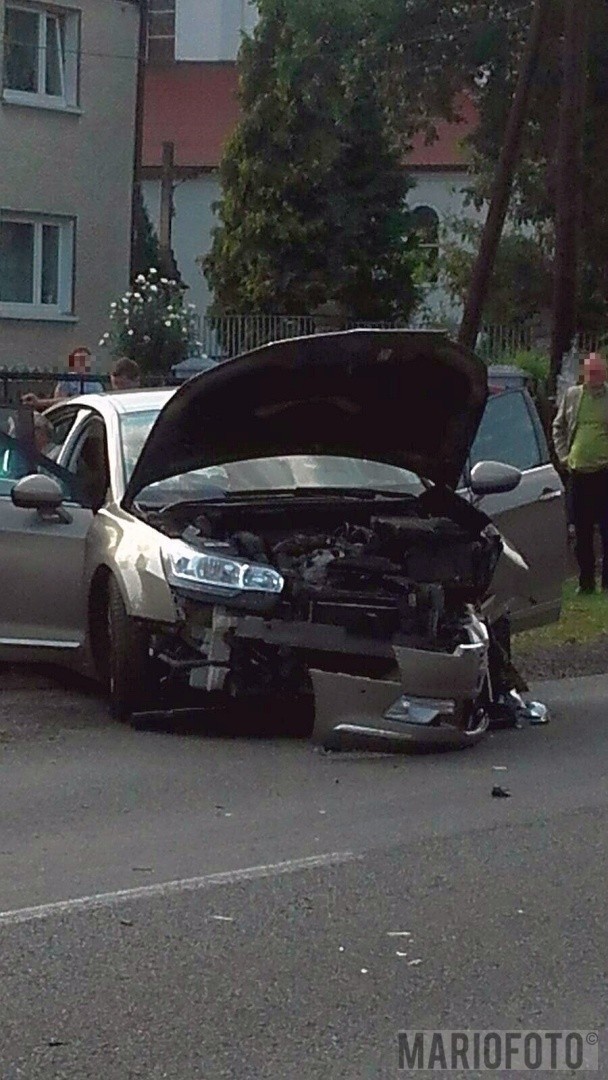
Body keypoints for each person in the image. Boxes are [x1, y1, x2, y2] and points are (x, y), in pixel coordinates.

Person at [553, 352, 608, 593]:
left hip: (604, 472)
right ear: (584, 374)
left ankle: (607, 582)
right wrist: (563, 456)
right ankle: (586, 582)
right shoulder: (573, 396)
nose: (594, 377)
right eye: (591, 373)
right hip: (578, 473)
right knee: (581, 532)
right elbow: (559, 427)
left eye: (599, 372)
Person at [22, 346, 104, 411]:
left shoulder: (95, 383)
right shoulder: (67, 380)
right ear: (73, 362)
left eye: (84, 360)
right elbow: (58, 403)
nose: (81, 363)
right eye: (78, 360)